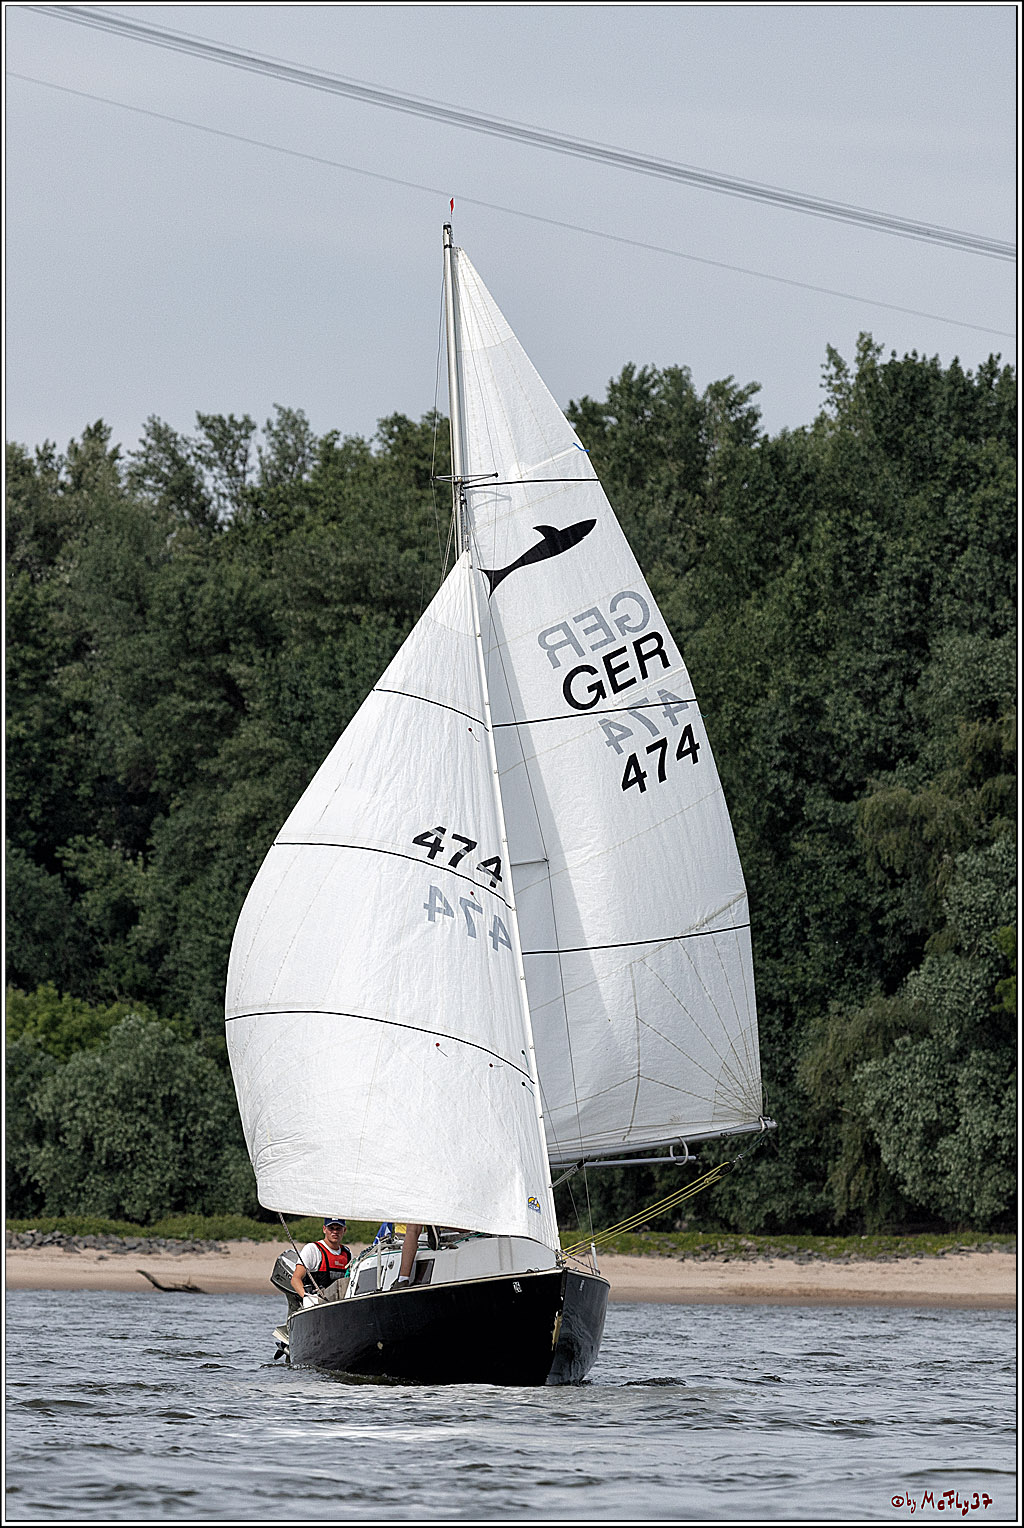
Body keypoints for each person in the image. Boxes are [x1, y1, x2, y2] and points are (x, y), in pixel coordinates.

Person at [291, 1217, 352, 1306]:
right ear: (324, 1229)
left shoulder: (347, 1253)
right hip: (318, 1303)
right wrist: (307, 1298)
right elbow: (295, 1279)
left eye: (338, 1228)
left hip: (339, 1303)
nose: (335, 1232)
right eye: (331, 1228)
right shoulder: (312, 1249)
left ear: (344, 1230)